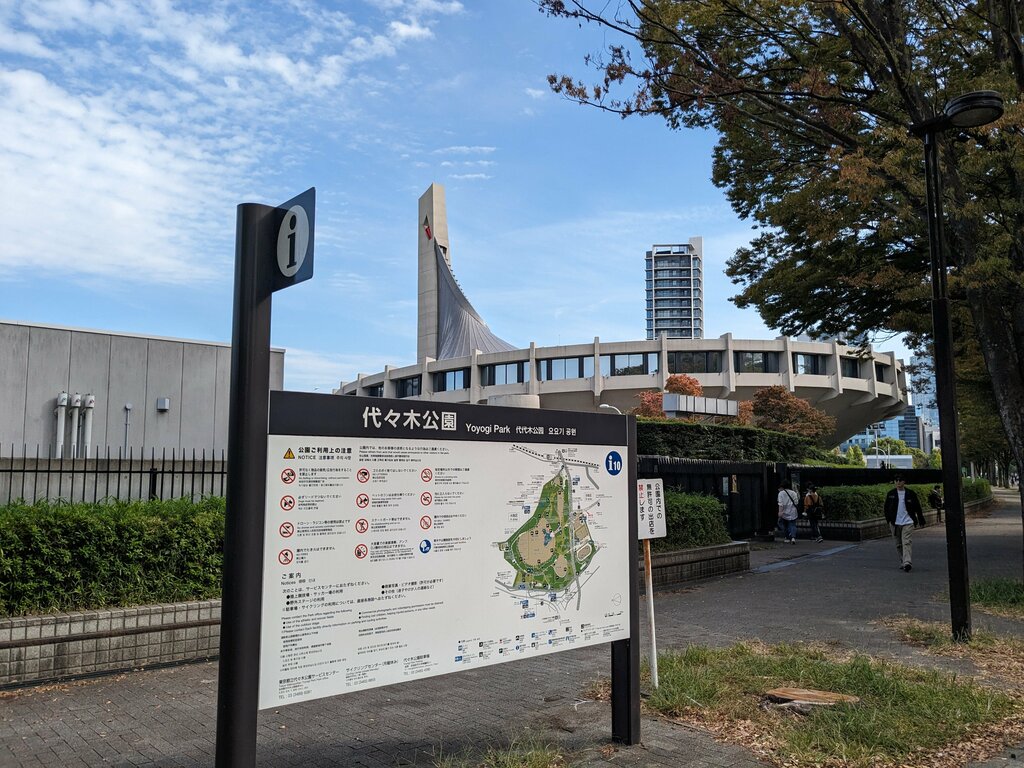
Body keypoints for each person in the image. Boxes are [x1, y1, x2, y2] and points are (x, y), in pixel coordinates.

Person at [884, 475, 925, 572]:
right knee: (898, 544)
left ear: (904, 482)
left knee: (906, 542)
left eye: (900, 480)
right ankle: (903, 561)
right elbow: (886, 508)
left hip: (908, 521)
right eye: (896, 480)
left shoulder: (910, 494)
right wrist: (888, 519)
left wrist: (921, 519)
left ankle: (907, 562)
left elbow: (917, 508)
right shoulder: (891, 494)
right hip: (895, 522)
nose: (898, 482)